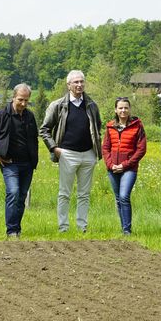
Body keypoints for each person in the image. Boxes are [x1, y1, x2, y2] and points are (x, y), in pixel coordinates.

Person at [39, 70, 102, 233]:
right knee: (64, 193)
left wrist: (96, 150)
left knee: (84, 194)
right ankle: (63, 227)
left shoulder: (92, 105)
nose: (79, 85)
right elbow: (44, 129)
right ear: (68, 85)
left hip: (88, 154)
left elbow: (97, 128)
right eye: (76, 82)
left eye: (82, 81)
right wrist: (54, 148)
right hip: (67, 154)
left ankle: (82, 227)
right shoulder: (58, 105)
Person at [0, 83, 39, 239]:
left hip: (27, 164)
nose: (23, 103)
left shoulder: (30, 116)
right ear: (14, 97)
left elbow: (34, 138)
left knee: (21, 196)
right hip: (9, 163)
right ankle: (11, 231)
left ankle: (17, 229)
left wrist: (34, 159)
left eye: (26, 100)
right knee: (13, 192)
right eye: (20, 99)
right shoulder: (2, 115)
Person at [101, 97, 147, 235]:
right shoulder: (110, 126)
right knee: (118, 199)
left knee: (124, 196)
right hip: (113, 168)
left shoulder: (137, 126)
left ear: (130, 109)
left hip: (129, 169)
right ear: (115, 110)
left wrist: (125, 165)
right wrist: (110, 165)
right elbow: (105, 148)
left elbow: (141, 149)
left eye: (126, 108)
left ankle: (127, 230)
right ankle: (123, 228)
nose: (123, 110)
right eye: (120, 108)